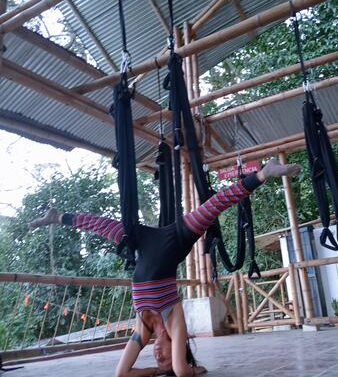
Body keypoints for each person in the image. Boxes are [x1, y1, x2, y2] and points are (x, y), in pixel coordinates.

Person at [29, 158, 300, 377]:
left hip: (144, 245)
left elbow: (121, 374)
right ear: (179, 347)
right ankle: (263, 174)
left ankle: (58, 216)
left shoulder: (142, 331)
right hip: (174, 241)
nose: (158, 355)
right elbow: (181, 372)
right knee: (212, 207)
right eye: (165, 357)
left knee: (105, 227)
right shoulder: (175, 323)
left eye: (157, 358)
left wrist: (154, 371)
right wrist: (189, 369)